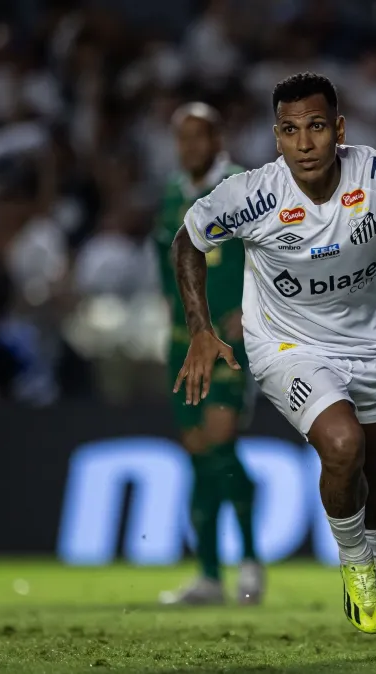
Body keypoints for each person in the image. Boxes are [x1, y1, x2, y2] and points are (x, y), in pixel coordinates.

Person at [171, 73, 376, 652]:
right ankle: (355, 569)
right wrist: (201, 329)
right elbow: (188, 239)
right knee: (343, 445)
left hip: (369, 346)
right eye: (289, 130)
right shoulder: (253, 194)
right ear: (275, 137)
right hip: (287, 346)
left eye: (315, 127)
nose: (304, 143)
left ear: (339, 129)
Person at [153, 102, 264, 606]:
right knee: (199, 452)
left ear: (218, 138)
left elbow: (276, 248)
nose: (190, 147)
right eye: (182, 138)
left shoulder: (243, 188)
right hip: (182, 341)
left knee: (219, 443)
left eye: (199, 136)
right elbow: (166, 265)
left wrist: (255, 307)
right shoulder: (174, 193)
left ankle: (249, 560)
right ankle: (209, 575)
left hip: (229, 342)